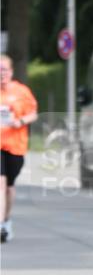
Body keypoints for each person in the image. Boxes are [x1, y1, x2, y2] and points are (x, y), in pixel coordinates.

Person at [0, 55, 38, 243]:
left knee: (9, 187)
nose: (1, 74)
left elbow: (33, 113)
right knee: (0, 181)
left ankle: (6, 220)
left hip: (16, 145)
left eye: (4, 70)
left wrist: (20, 121)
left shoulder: (22, 91)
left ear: (11, 72)